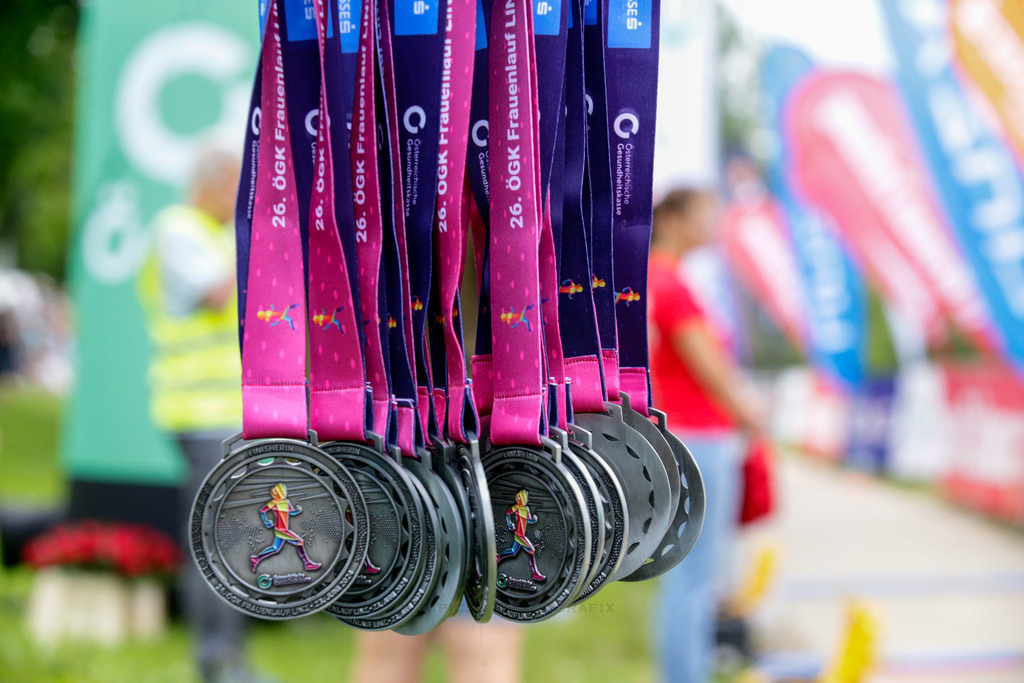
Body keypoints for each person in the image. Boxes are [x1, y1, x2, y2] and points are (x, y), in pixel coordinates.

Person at [137, 146, 250, 683]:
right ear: (213, 184)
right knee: (215, 539)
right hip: (199, 414)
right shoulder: (180, 229)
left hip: (225, 414)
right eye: (236, 187)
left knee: (228, 536)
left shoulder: (212, 232)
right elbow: (216, 293)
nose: (241, 199)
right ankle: (218, 661)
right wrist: (255, 236)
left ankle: (226, 658)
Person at [649, 188, 764, 683]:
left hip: (677, 437)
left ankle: (682, 671)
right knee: (695, 576)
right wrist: (752, 414)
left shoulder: (649, 279)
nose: (714, 223)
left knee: (685, 574)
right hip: (700, 438)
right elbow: (710, 369)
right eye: (705, 213)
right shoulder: (672, 283)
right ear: (673, 218)